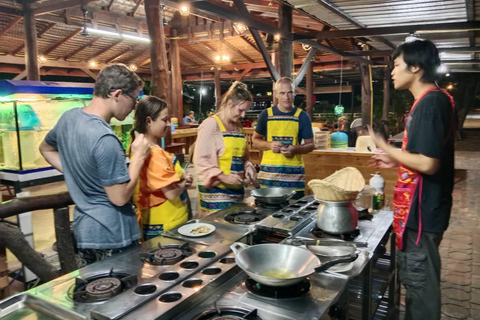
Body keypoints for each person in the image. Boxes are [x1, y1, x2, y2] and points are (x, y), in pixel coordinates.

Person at [369, 39, 456, 320]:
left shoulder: (430, 104)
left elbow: (429, 164)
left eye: (396, 65)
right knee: (416, 286)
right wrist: (395, 159)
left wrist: (387, 147)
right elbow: (423, 156)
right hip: (425, 210)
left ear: (416, 67)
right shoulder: (432, 100)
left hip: (422, 214)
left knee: (420, 293)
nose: (392, 72)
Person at [39, 64, 150, 265]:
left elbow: (46, 149)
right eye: (134, 100)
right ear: (117, 94)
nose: (133, 107)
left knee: (95, 292)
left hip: (85, 231)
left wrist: (76, 172)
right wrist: (138, 158)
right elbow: (119, 198)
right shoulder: (105, 138)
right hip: (113, 234)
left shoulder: (69, 118)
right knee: (123, 294)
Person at [130, 96, 193, 240]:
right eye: (164, 120)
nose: (169, 124)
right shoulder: (152, 152)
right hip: (166, 224)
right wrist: (185, 181)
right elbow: (170, 193)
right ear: (148, 121)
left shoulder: (142, 147)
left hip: (165, 220)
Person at [194, 81, 257, 216]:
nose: (243, 115)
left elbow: (244, 156)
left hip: (236, 193)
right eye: (241, 110)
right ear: (229, 104)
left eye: (245, 111)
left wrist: (248, 166)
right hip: (215, 194)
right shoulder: (211, 125)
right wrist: (223, 177)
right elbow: (201, 161)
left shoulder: (238, 126)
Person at [253, 77, 314, 199]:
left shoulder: (302, 116)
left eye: (290, 92)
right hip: (268, 178)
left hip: (294, 180)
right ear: (276, 94)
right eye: (282, 93)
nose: (286, 97)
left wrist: (295, 149)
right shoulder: (266, 114)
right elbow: (255, 141)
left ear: (294, 93)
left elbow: (311, 145)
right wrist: (270, 145)